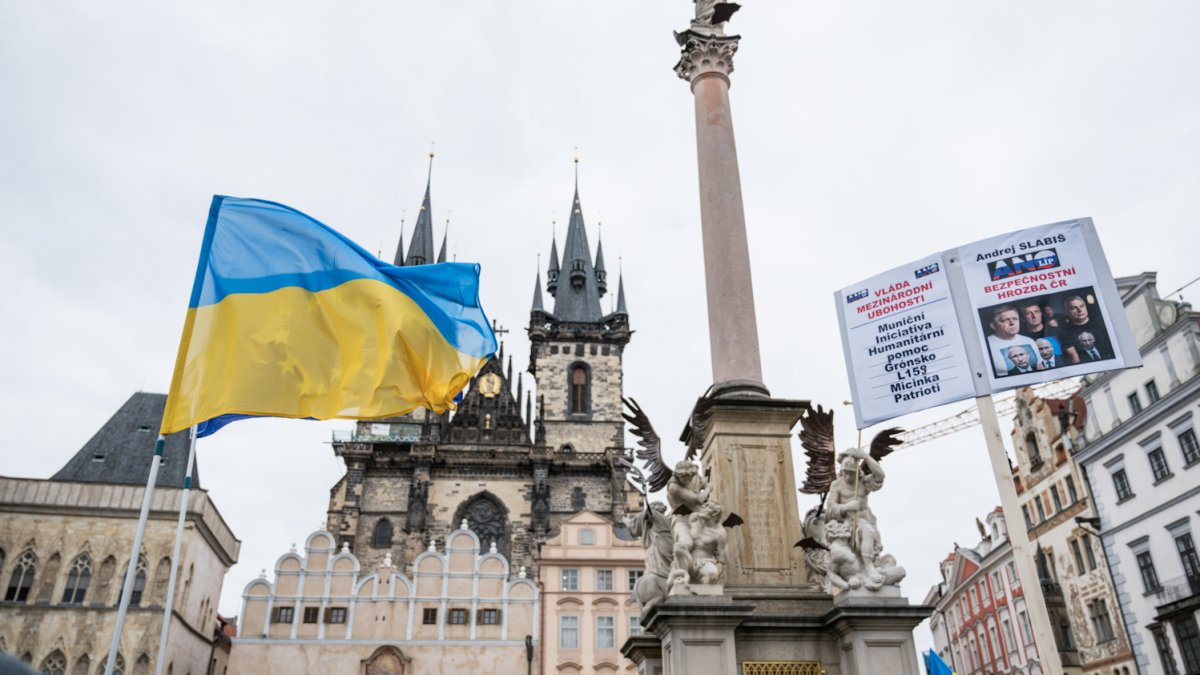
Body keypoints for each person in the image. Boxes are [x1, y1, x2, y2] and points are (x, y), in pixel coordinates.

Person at [985, 305, 1039, 377]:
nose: (1012, 323)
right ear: (993, 326)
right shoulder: (985, 345)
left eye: (1015, 319)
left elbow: (1040, 367)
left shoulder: (1029, 340)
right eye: (1005, 320)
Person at [1058, 295, 1113, 363]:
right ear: (1066, 312)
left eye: (1082, 306)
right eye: (1074, 308)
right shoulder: (1064, 332)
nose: (1080, 310)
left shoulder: (1102, 323)